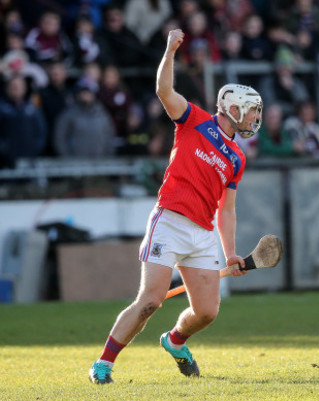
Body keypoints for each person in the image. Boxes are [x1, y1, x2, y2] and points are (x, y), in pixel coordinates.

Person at [88, 28, 263, 385]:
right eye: (250, 111)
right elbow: (163, 91)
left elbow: (226, 210)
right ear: (232, 108)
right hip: (169, 221)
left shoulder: (236, 158)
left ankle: (175, 341)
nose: (254, 118)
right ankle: (103, 364)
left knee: (207, 312)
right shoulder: (194, 120)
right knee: (150, 301)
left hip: (201, 234)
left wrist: (229, 252)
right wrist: (169, 52)